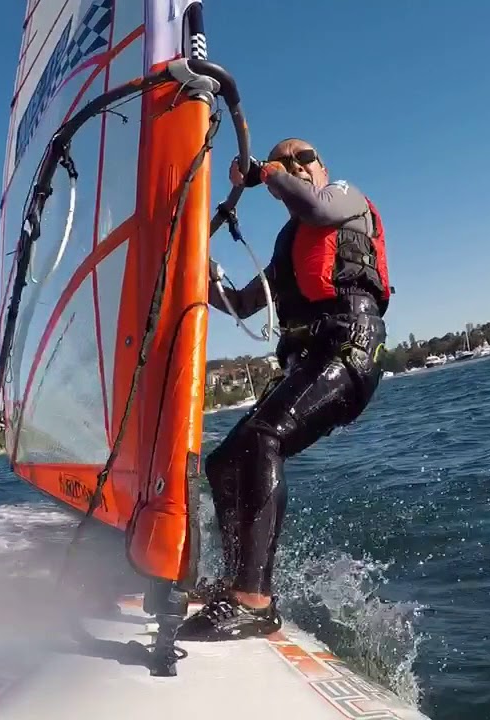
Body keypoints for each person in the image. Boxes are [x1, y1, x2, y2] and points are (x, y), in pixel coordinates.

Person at [178, 138, 393, 641]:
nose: (296, 165)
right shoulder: (288, 246)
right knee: (224, 462)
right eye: (286, 158)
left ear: (322, 167)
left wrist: (265, 172)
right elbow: (241, 302)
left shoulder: (343, 198)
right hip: (308, 360)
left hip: (349, 351)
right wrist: (196, 268)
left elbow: (313, 204)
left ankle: (254, 600)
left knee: (264, 437)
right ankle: (236, 581)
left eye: (305, 157)